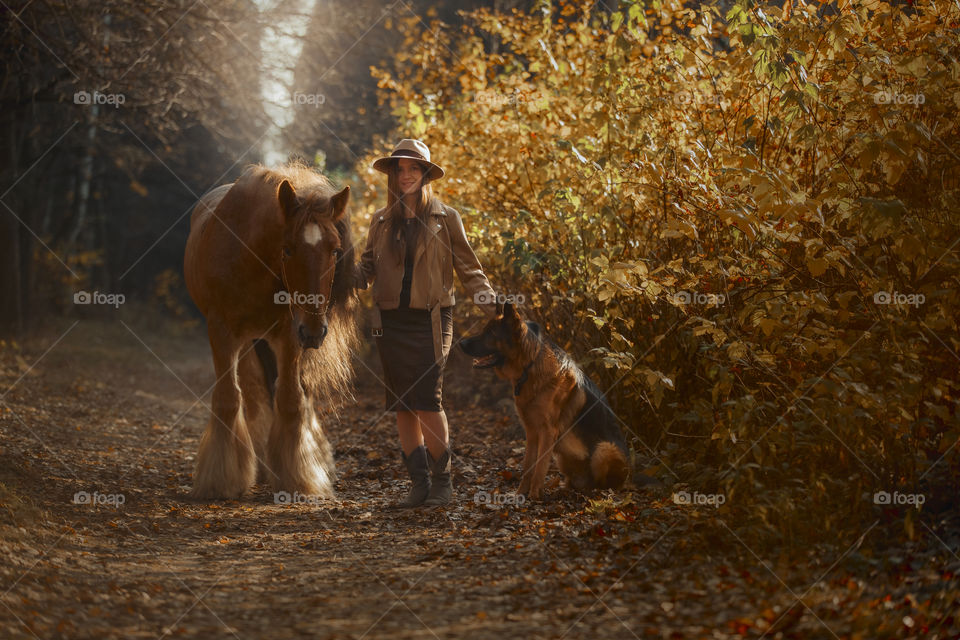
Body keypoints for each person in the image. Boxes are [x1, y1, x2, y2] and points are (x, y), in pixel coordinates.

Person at [357, 138, 496, 508]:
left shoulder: (445, 218)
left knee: (428, 401)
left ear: (425, 174)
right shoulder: (381, 220)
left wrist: (495, 308)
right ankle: (418, 486)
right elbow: (366, 269)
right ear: (392, 175)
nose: (406, 175)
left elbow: (469, 270)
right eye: (400, 169)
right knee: (403, 404)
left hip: (431, 321)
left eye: (413, 168)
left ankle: (443, 483)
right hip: (390, 322)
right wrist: (338, 270)